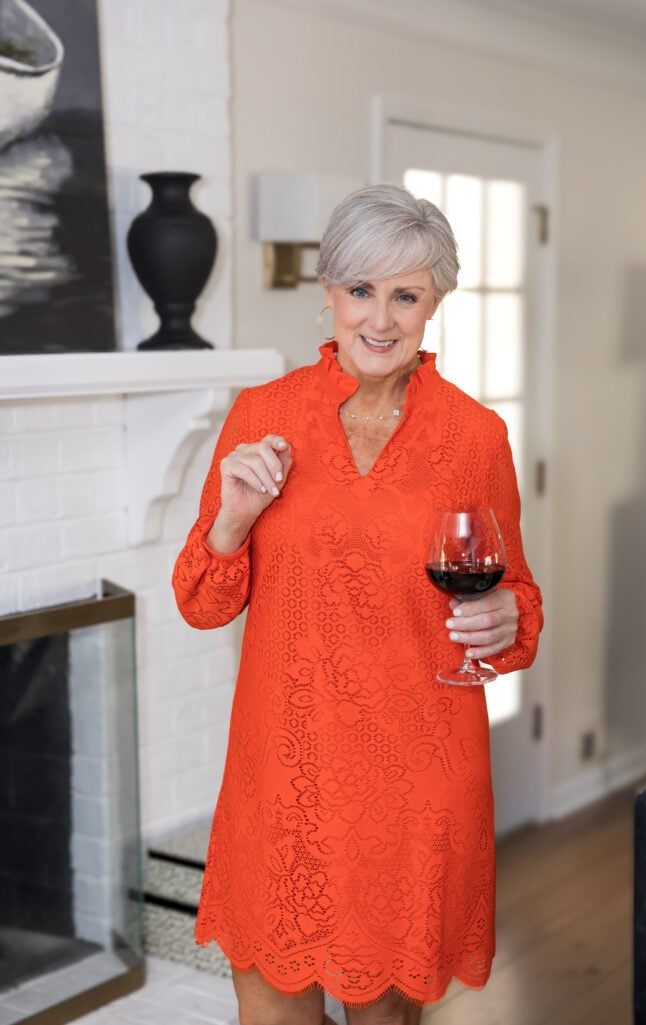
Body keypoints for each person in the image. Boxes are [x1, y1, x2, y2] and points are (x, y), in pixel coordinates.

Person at [172, 183, 543, 1025]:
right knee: (268, 998)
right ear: (329, 293)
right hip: (285, 767)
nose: (380, 318)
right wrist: (232, 518)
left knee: (382, 1013)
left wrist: (508, 619)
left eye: (405, 294)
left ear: (433, 302)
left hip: (413, 775)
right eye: (360, 290)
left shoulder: (474, 435)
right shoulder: (261, 416)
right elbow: (200, 601)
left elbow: (516, 594)